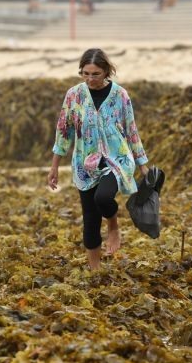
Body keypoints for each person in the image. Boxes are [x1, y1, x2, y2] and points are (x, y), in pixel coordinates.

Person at [47, 49, 150, 270]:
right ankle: (95, 271)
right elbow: (64, 131)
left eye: (95, 74)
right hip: (85, 163)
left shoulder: (120, 95)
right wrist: (54, 166)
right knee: (90, 219)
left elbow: (132, 130)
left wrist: (143, 164)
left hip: (117, 158)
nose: (90, 79)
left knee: (103, 198)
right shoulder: (74, 95)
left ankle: (113, 224)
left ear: (106, 71)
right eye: (85, 73)